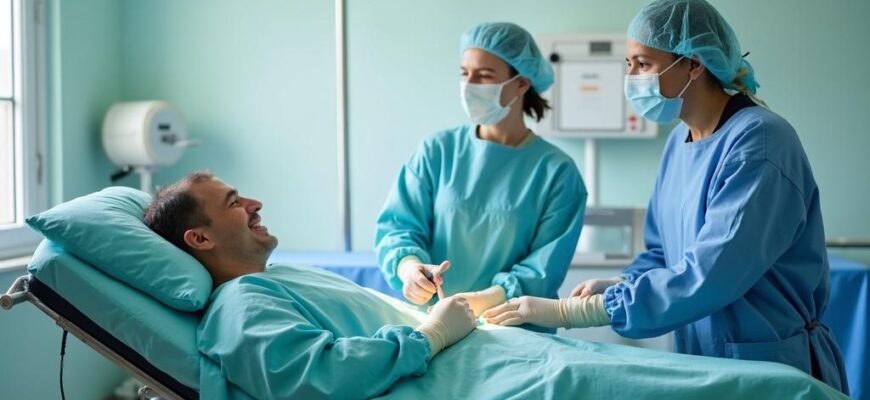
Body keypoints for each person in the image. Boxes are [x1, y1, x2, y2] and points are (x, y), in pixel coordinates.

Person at [482, 0, 849, 394]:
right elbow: (662, 253)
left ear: (694, 64)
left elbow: (711, 273)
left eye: (643, 64)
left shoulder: (760, 142)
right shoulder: (679, 142)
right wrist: (622, 283)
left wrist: (574, 312)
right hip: (703, 359)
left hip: (769, 363)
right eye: (628, 64)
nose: (631, 78)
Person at [144, 172, 477, 399]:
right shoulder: (239, 304)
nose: (255, 203)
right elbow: (320, 378)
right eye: (234, 203)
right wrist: (432, 335)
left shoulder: (275, 277)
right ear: (201, 239)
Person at [374, 22, 587, 329]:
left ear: (521, 84)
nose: (469, 85)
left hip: (515, 329)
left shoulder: (557, 173)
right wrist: (409, 268)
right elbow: (399, 226)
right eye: (465, 73)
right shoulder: (438, 151)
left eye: (484, 75)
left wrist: (488, 298)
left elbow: (544, 266)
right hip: (433, 323)